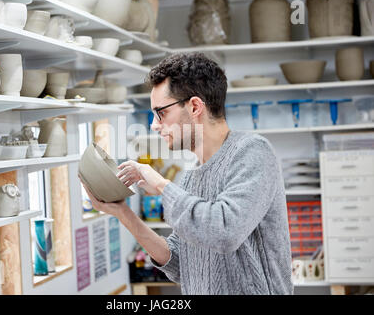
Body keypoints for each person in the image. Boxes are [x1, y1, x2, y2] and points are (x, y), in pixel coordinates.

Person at [80, 53, 293, 295]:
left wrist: (161, 184)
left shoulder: (252, 152)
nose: (154, 124)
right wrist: (123, 213)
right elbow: (182, 263)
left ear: (194, 106)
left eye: (161, 112)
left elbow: (225, 232)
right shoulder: (191, 178)